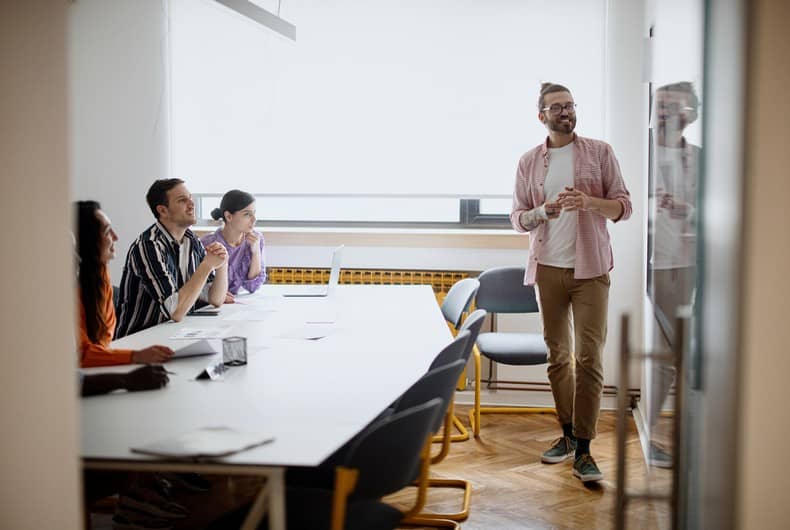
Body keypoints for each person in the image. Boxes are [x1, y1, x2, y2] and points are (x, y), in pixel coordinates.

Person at [510, 82, 632, 482]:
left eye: (570, 105)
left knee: (590, 358)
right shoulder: (529, 161)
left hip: (591, 270)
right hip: (547, 268)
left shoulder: (600, 152)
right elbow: (517, 219)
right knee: (558, 357)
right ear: (541, 115)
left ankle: (584, 448)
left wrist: (589, 202)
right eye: (556, 107)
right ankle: (565, 434)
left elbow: (624, 207)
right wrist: (543, 211)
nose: (565, 111)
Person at [647, 81, 701, 469]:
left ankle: (663, 437)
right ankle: (649, 436)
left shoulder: (700, 158)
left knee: (673, 356)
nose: (663, 112)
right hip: (643, 265)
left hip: (682, 265)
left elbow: (716, 212)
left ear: (690, 113)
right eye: (659, 105)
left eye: (672, 106)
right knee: (658, 355)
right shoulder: (639, 152)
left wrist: (688, 211)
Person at [116, 179, 229, 338]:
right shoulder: (148, 246)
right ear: (163, 211)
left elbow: (215, 299)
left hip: (173, 334)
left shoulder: (192, 240)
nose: (191, 204)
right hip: (138, 341)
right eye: (182, 200)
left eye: (190, 198)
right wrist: (207, 265)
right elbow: (175, 311)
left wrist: (222, 262)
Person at [75, 201, 174, 367]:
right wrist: (135, 356)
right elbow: (79, 354)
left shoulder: (100, 272)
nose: (115, 237)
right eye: (107, 231)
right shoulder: (66, 287)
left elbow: (104, 337)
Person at [200, 189, 267, 303]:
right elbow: (199, 286)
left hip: (239, 305)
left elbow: (253, 287)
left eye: (254, 213)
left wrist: (255, 252)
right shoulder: (207, 244)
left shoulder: (256, 239)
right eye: (247, 214)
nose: (254, 219)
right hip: (212, 305)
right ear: (229, 216)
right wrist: (216, 295)